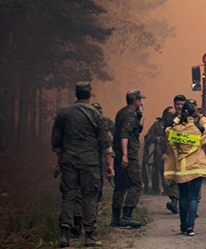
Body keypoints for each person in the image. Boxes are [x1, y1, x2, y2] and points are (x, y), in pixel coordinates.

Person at [51, 81, 114, 248]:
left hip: (69, 160)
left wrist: (60, 162)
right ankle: (90, 236)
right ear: (90, 94)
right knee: (89, 198)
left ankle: (65, 233)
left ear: (76, 94)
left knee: (69, 196)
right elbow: (105, 143)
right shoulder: (95, 114)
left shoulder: (64, 113)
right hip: (90, 162)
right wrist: (110, 165)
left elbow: (56, 141)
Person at [163, 100, 206, 236]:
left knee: (183, 197)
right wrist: (200, 116)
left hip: (182, 168)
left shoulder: (175, 130)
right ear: (192, 113)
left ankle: (183, 226)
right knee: (193, 197)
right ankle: (191, 227)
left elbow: (166, 130)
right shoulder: (199, 130)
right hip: (198, 167)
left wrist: (178, 118)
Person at [111, 90, 145, 228]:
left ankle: (115, 218)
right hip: (128, 154)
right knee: (136, 184)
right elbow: (124, 134)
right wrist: (125, 155)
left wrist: (139, 116)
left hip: (118, 153)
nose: (141, 102)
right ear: (135, 100)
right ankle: (127, 215)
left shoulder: (122, 112)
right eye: (139, 100)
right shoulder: (130, 115)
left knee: (121, 185)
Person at [163, 94, 186, 214]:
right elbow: (166, 133)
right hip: (172, 152)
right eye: (177, 104)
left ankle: (183, 204)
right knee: (172, 179)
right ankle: (175, 202)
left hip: (186, 153)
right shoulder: (169, 118)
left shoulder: (189, 118)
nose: (179, 107)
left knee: (184, 179)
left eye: (182, 104)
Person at [141, 107, 171, 195]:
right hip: (160, 152)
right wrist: (156, 138)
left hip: (173, 153)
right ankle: (156, 188)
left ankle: (171, 190)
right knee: (158, 170)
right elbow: (148, 136)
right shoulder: (158, 125)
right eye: (169, 114)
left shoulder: (177, 124)